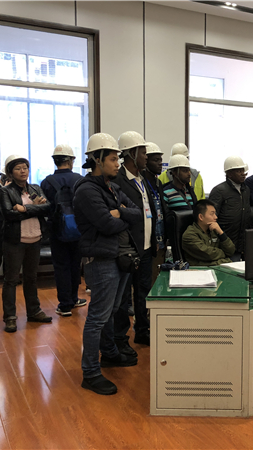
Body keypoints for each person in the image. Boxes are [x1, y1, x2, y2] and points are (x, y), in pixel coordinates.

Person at [75, 133, 142, 396]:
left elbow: (138, 212)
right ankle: (90, 373)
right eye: (113, 159)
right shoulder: (87, 190)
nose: (118, 164)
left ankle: (110, 354)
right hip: (102, 260)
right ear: (97, 159)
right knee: (98, 318)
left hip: (119, 257)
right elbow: (106, 224)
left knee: (112, 311)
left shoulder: (111, 187)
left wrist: (120, 212)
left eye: (118, 159)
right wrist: (122, 216)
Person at [0, 154, 53, 333]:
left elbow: (48, 208)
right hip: (15, 241)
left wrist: (24, 208)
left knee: (31, 278)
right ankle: (10, 317)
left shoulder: (35, 188)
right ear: (10, 172)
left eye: (25, 167)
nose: (23, 171)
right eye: (18, 168)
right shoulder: (5, 191)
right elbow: (9, 214)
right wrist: (35, 208)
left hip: (35, 238)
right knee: (11, 280)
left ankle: (34, 311)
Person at [112, 131, 156, 350]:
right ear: (131, 153)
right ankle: (120, 338)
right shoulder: (117, 180)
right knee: (122, 298)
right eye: (143, 153)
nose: (147, 157)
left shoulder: (143, 178)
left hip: (145, 246)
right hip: (127, 248)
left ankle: (142, 331)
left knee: (143, 292)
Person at [40, 144, 86, 317]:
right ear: (71, 160)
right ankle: (74, 298)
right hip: (78, 229)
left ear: (55, 161)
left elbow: (44, 208)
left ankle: (65, 305)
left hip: (56, 230)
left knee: (61, 266)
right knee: (75, 264)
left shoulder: (46, 182)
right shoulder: (80, 180)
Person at [209, 156, 251, 257]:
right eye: (239, 171)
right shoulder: (219, 191)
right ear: (229, 173)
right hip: (224, 242)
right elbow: (211, 217)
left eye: (243, 170)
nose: (243, 174)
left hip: (243, 243)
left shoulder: (246, 190)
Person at [182, 199, 236, 266]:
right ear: (201, 217)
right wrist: (224, 255)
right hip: (201, 269)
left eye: (215, 214)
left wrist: (221, 233)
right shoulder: (190, 235)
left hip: (217, 266)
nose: (216, 217)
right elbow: (208, 255)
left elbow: (231, 251)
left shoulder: (213, 230)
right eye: (212, 214)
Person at [143, 142, 166, 284]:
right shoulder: (141, 183)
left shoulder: (158, 184)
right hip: (148, 243)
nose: (160, 163)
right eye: (155, 160)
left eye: (161, 160)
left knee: (159, 280)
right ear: (146, 161)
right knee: (147, 282)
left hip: (161, 240)